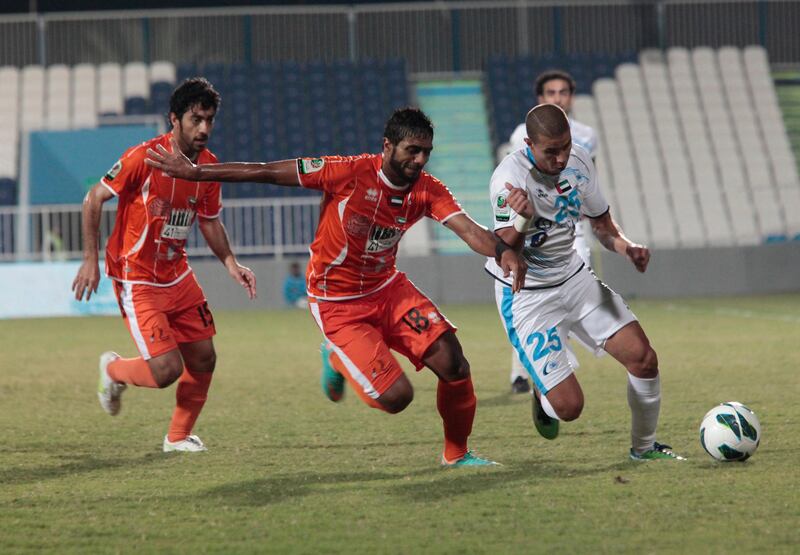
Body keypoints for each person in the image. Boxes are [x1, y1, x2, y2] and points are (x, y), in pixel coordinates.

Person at [145, 107, 527, 467]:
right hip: (337, 302)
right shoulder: (346, 172)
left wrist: (500, 251)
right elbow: (263, 171)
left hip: (387, 288)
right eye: (412, 151)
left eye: (426, 152)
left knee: (453, 362)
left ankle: (456, 456)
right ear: (387, 146)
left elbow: (469, 230)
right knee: (397, 398)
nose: (420, 160)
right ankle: (336, 358)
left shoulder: (428, 188)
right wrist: (197, 173)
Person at [487, 103, 683, 460]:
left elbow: (602, 224)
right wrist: (522, 220)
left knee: (644, 358)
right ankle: (542, 390)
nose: (561, 158)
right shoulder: (508, 179)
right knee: (569, 407)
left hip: (575, 279)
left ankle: (644, 448)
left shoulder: (579, 161)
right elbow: (502, 248)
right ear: (528, 143)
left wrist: (627, 247)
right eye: (552, 151)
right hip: (528, 296)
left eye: (565, 145)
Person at [71, 77, 257, 453]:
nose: (204, 128)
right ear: (175, 119)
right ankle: (113, 370)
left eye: (209, 120)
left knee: (204, 357)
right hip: (136, 277)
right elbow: (94, 198)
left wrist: (230, 262)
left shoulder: (208, 167)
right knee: (167, 370)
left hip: (177, 273)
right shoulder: (144, 157)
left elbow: (208, 220)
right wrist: (90, 260)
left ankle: (177, 438)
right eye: (195, 119)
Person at [506, 69, 598, 394]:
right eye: (551, 93)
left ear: (571, 96)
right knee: (529, 299)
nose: (558, 98)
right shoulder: (522, 134)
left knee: (571, 294)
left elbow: (587, 178)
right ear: (540, 99)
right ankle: (524, 371)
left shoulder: (587, 135)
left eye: (563, 92)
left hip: (573, 229)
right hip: (537, 231)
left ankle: (550, 368)